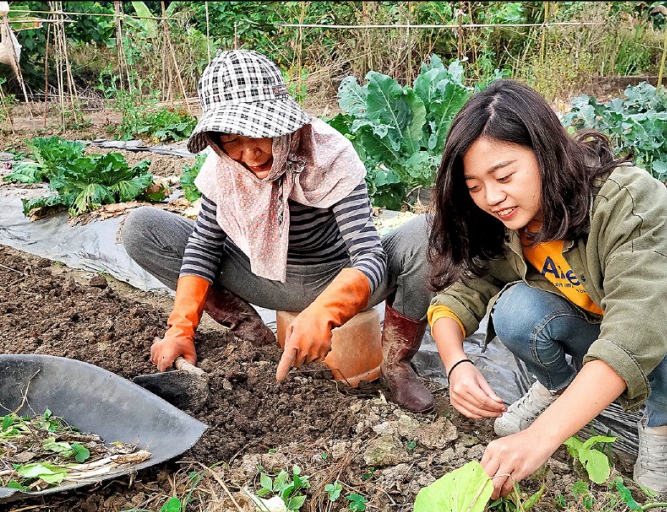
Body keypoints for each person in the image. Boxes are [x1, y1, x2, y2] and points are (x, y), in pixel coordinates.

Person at [426, 79, 667, 502]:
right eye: (475, 186)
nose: (492, 197)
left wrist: (541, 438)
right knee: (514, 309)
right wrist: (456, 364)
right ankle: (557, 388)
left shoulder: (628, 199)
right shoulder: (505, 218)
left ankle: (660, 423)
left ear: (545, 153)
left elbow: (636, 330)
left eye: (504, 175)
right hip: (593, 325)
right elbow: (463, 292)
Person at [123, 50, 434, 413]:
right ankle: (251, 337)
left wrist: (324, 314)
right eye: (231, 140)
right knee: (142, 228)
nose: (250, 154)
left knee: (430, 233)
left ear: (280, 122)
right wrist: (179, 328)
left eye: (257, 133)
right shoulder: (223, 167)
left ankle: (396, 364)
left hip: (339, 276)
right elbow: (204, 247)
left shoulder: (329, 155)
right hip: (265, 277)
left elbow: (368, 253)